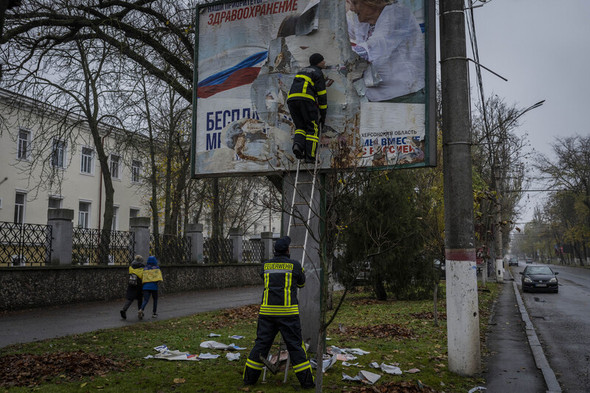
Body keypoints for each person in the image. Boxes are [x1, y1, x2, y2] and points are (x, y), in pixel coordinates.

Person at [243, 236, 314, 389]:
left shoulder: (265, 266)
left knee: (261, 345)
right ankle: (307, 382)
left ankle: (249, 379)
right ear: (288, 250)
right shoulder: (295, 266)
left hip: (267, 313)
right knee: (295, 346)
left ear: (275, 251)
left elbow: (265, 278)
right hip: (288, 313)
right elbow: (301, 283)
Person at [347, 0, 425, 102]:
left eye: (355, 3)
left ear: (372, 2)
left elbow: (374, 48)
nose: (352, 8)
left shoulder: (397, 14)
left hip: (405, 96)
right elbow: (341, 32)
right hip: (374, 97)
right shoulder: (363, 20)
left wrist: (340, 60)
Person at [287, 53, 333, 163]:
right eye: (322, 60)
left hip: (291, 100)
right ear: (318, 62)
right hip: (306, 100)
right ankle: (310, 157)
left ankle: (298, 146)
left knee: (300, 126)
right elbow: (322, 96)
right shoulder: (318, 73)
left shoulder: (302, 71)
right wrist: (323, 114)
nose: (324, 62)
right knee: (313, 127)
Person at [120, 255, 145, 319]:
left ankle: (124, 309)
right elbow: (142, 276)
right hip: (139, 284)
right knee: (140, 299)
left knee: (130, 299)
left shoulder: (131, 267)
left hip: (131, 283)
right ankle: (140, 312)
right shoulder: (142, 268)